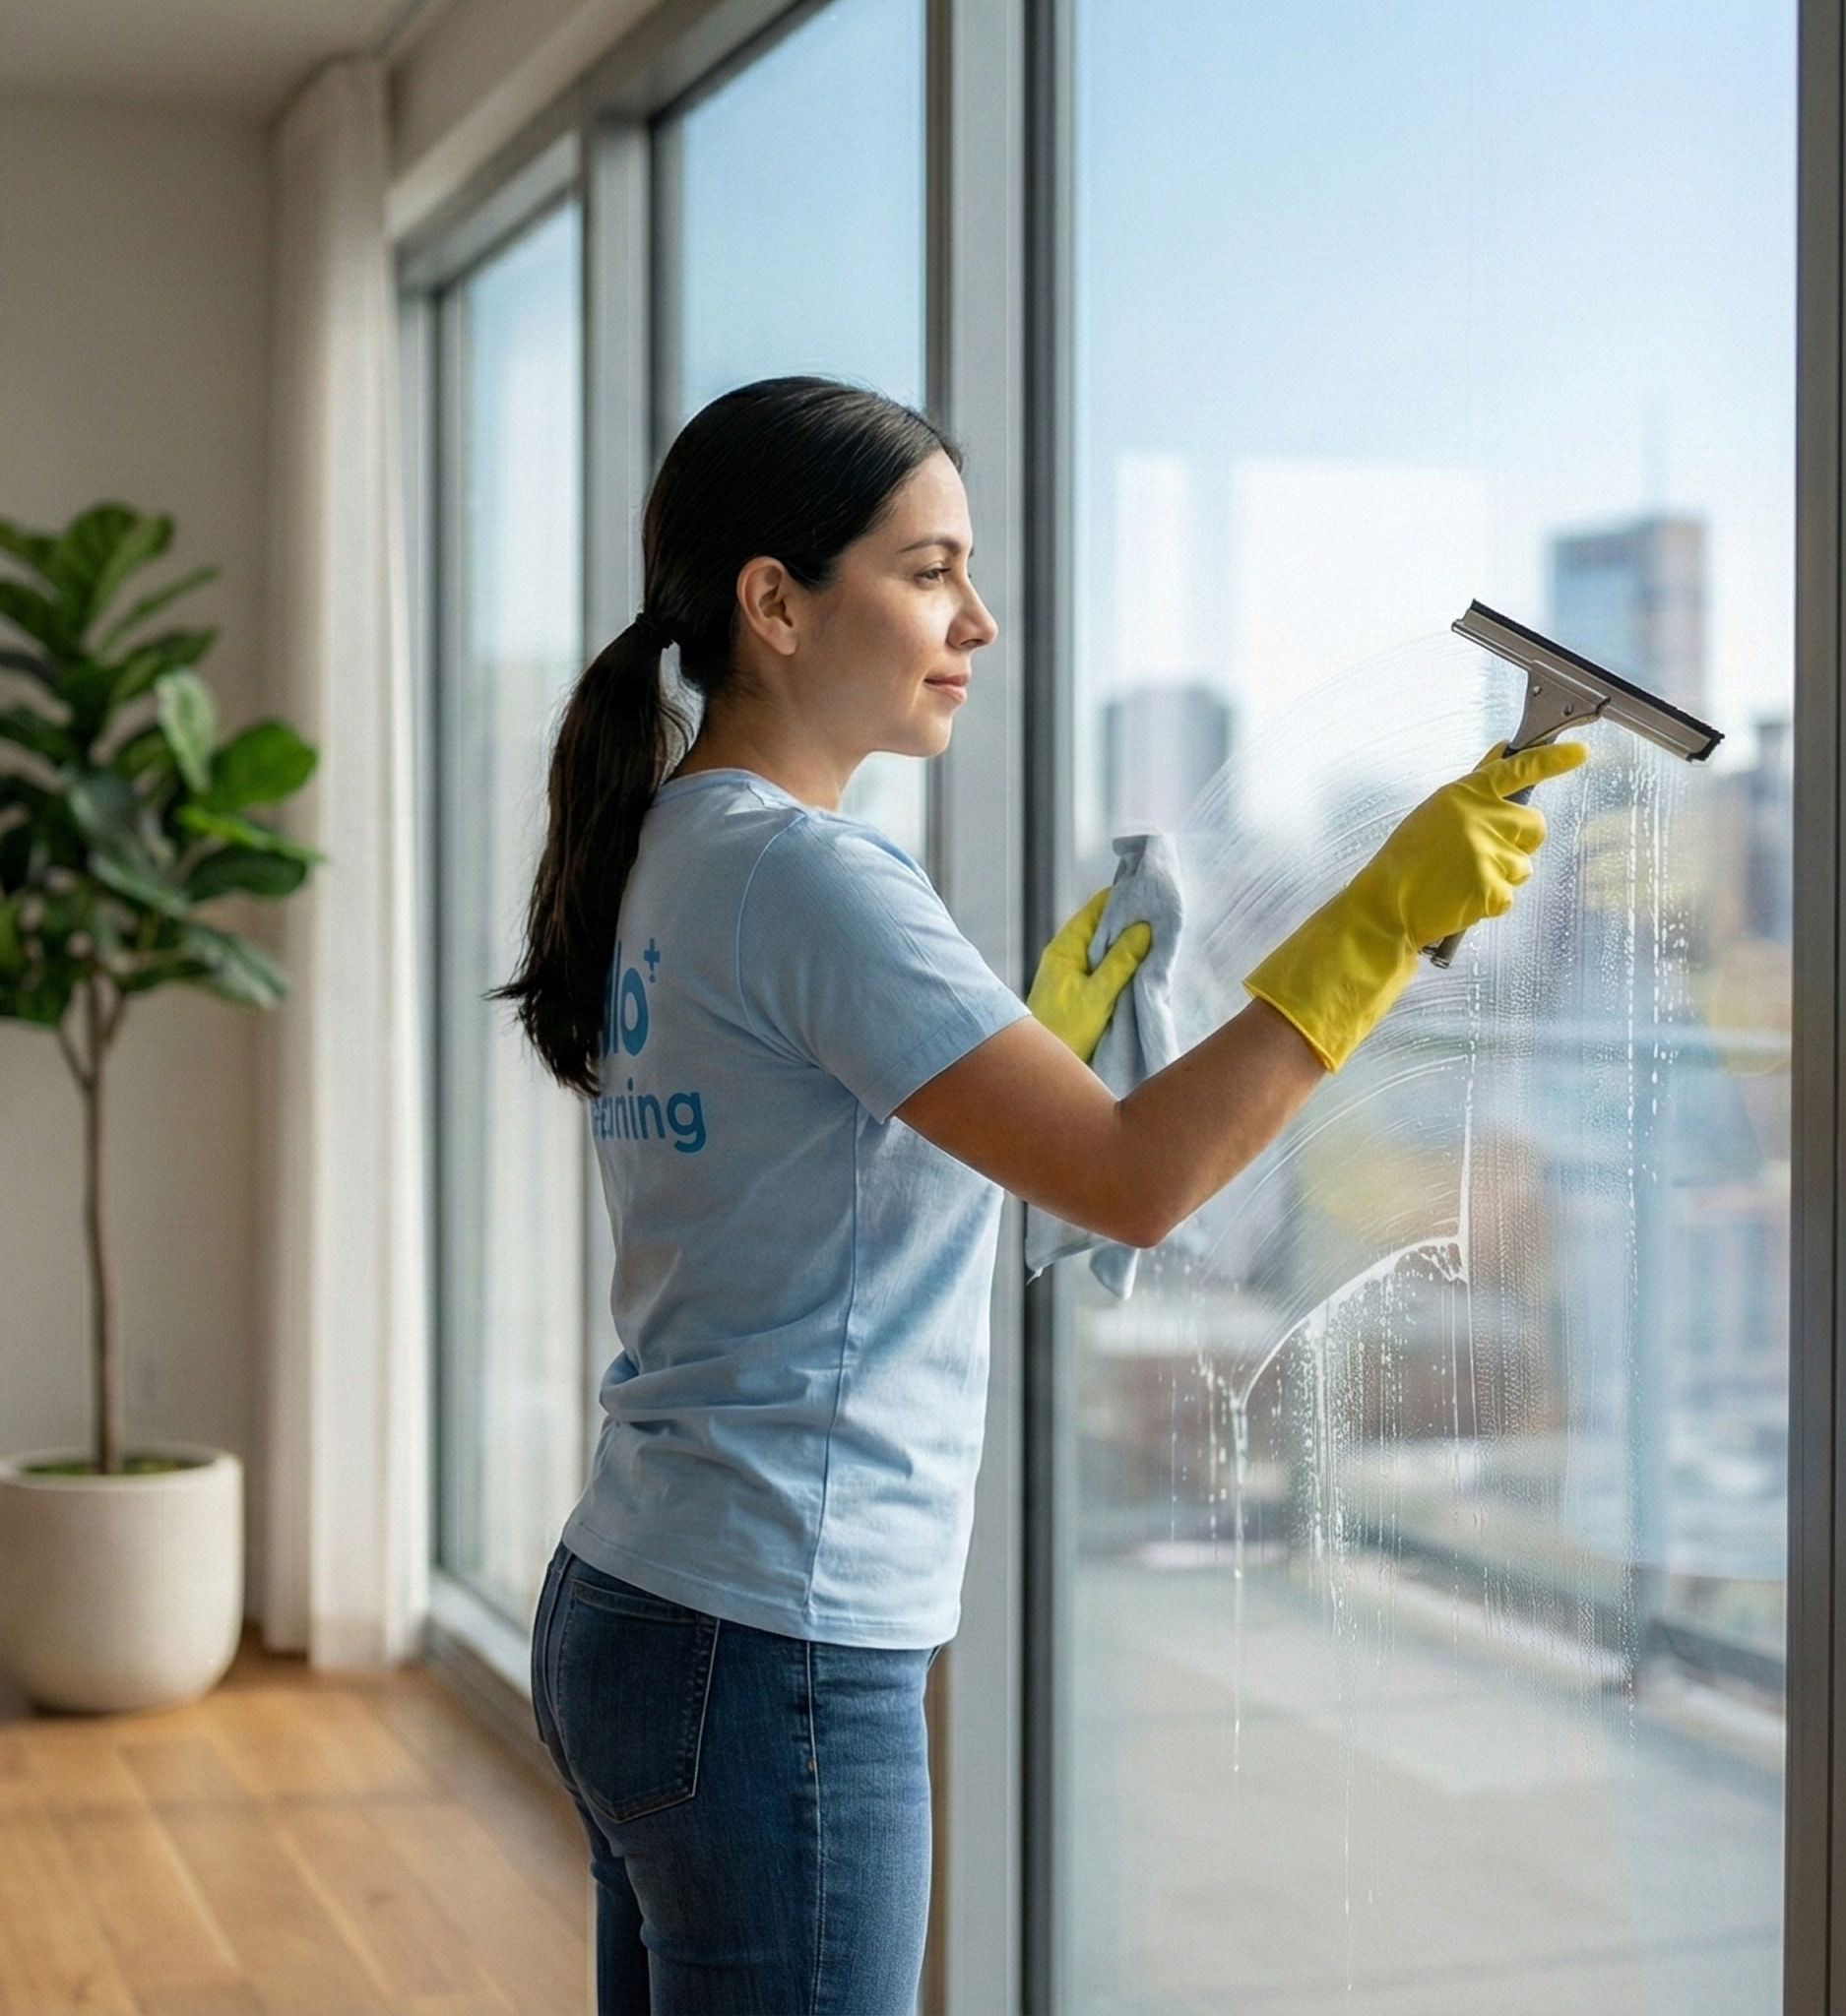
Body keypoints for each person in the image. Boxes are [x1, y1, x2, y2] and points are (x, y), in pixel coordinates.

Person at [504, 376, 1583, 2016]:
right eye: (929, 571)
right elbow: (1140, 1182)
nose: (979, 619)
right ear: (775, 603)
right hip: (777, 1639)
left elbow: (814, 1185)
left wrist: (1048, 1040)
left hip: (642, 1599)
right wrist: (1380, 923)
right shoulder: (812, 873)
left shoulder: (678, 845)